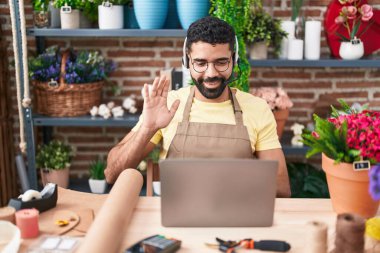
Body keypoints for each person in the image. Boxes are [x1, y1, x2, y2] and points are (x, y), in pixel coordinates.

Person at [105, 16, 291, 197]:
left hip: (238, 219)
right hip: (176, 222)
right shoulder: (168, 105)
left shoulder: (257, 108)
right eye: (200, 63)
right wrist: (147, 128)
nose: (210, 74)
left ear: (234, 60)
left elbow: (281, 188)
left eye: (221, 62)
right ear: (187, 61)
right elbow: (112, 174)